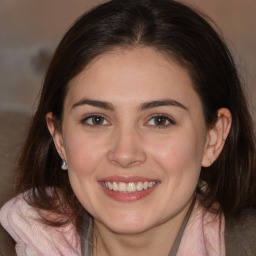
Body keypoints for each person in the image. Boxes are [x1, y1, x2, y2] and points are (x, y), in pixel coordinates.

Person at [1, 0, 256, 255]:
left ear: (213, 138)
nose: (124, 154)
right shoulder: (20, 236)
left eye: (159, 120)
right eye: (96, 120)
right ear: (59, 138)